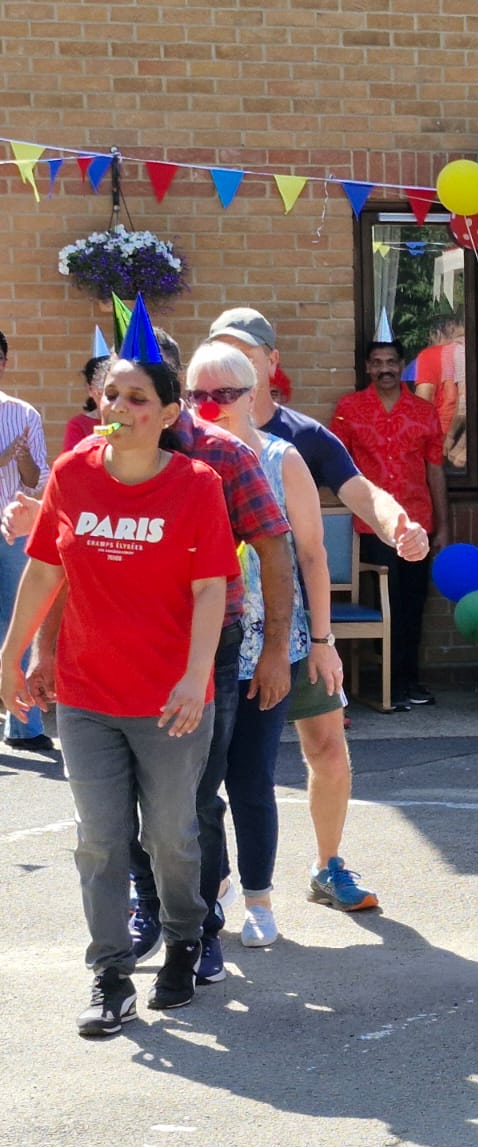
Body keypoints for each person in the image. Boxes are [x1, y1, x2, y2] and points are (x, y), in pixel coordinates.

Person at [4, 328, 295, 987]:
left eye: (141, 392)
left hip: (202, 651)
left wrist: (276, 650)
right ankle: (145, 917)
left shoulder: (218, 464)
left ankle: (195, 932)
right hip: (99, 672)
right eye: (110, 391)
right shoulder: (82, 466)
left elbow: (273, 552)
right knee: (112, 817)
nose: (120, 406)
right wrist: (38, 651)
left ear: (170, 404)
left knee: (188, 802)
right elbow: (61, 569)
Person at [208, 307, 430, 912]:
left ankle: (329, 866)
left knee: (327, 747)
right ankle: (214, 882)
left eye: (245, 355)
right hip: (218, 633)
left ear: (269, 365)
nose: (231, 371)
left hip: (298, 634)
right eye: (220, 356)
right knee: (211, 771)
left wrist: (397, 525)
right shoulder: (190, 437)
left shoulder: (299, 438)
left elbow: (361, 491)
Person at [186, 342, 340, 948]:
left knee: (250, 778)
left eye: (224, 393)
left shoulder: (283, 460)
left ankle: (259, 899)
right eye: (198, 394)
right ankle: (213, 887)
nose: (211, 405)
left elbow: (310, 555)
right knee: (197, 785)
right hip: (198, 651)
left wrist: (321, 642)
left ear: (254, 394)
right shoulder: (178, 461)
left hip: (266, 647)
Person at [331, 339, 449, 709]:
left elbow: (435, 469)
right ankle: (386, 684)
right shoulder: (349, 410)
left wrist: (443, 526)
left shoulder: (424, 411)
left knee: (414, 604)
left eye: (392, 361)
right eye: (377, 362)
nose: (385, 368)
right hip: (372, 526)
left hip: (418, 522)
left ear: (402, 366)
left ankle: (409, 680)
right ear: (367, 367)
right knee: (387, 600)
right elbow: (336, 466)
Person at [0, 329, 53, 752]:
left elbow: (38, 481)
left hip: (13, 532)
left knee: (20, 620)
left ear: (4, 364)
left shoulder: (24, 414)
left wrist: (22, 461)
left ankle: (25, 726)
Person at [410, 311, 467, 470]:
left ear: (436, 333)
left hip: (441, 436)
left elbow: (424, 399)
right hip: (464, 432)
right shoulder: (468, 352)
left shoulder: (429, 355)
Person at [63, 355, 109, 455]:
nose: (109, 401)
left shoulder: (131, 422)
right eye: (101, 392)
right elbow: (71, 463)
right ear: (90, 390)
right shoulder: (78, 425)